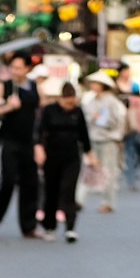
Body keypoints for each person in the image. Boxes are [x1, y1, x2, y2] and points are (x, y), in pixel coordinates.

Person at [0, 53, 40, 238]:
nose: (15, 71)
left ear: (27, 68)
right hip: (9, 140)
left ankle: (29, 226)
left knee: (30, 183)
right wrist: (8, 107)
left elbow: (39, 110)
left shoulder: (34, 86)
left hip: (29, 141)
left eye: (19, 67)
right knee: (8, 181)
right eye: (12, 67)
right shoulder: (3, 86)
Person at [37, 81, 93, 242]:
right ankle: (50, 226)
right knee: (51, 191)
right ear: (61, 99)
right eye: (68, 102)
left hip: (72, 156)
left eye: (73, 102)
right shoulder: (49, 111)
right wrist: (39, 148)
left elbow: (84, 134)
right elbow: (40, 130)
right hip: (52, 156)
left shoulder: (78, 112)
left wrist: (90, 154)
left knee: (69, 190)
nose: (71, 105)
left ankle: (70, 227)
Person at [82, 71, 125, 214]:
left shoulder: (111, 101)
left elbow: (117, 120)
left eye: (96, 83)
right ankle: (79, 200)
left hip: (108, 139)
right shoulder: (90, 101)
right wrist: (93, 118)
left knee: (108, 172)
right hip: (93, 138)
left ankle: (108, 202)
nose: (93, 85)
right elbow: (85, 118)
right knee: (88, 170)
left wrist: (103, 120)